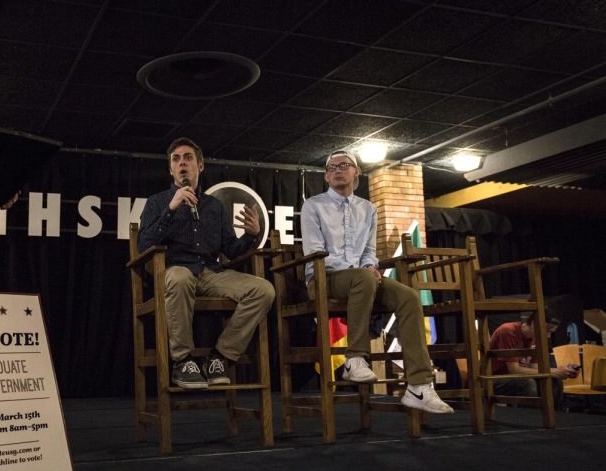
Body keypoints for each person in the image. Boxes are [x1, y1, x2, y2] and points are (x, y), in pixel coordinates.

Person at [300, 150, 454, 414]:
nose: (338, 169)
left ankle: (419, 385)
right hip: (324, 278)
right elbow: (315, 252)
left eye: (345, 165)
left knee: (408, 296)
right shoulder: (313, 205)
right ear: (326, 175)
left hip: (361, 280)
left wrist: (370, 266)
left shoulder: (368, 209)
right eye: (332, 167)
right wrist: (361, 271)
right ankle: (354, 358)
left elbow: (369, 251)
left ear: (356, 172)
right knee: (362, 278)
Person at [138, 138, 275, 389]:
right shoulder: (157, 202)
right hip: (175, 270)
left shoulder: (214, 206)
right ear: (170, 169)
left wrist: (252, 235)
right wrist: (172, 207)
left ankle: (220, 356)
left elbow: (232, 250)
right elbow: (144, 243)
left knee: (263, 289)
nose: (182, 164)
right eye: (176, 159)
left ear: (200, 166)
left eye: (188, 158)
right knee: (180, 277)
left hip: (211, 272)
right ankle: (182, 361)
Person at [489, 312, 579, 401]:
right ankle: (531, 415)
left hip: (517, 377)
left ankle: (552, 414)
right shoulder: (508, 331)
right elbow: (513, 370)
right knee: (527, 383)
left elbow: (535, 368)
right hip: (494, 378)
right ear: (533, 323)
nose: (548, 335)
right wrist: (553, 372)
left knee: (554, 381)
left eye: (551, 332)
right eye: (547, 330)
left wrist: (561, 370)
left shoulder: (537, 338)